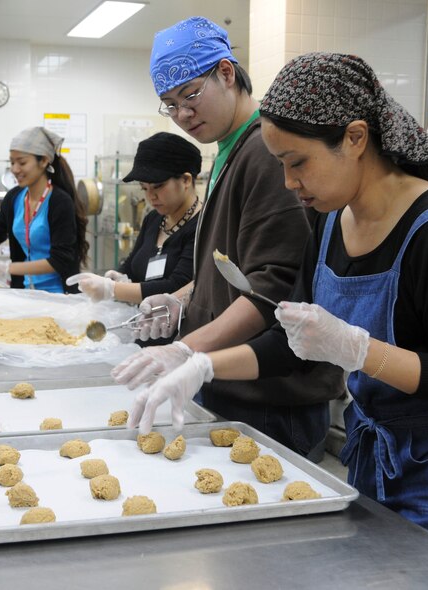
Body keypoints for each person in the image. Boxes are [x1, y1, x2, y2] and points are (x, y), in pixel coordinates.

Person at [127, 52, 428, 568]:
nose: (290, 184)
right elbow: (293, 343)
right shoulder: (332, 223)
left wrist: (357, 349)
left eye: (298, 163)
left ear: (356, 139)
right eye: (281, 166)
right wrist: (199, 364)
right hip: (376, 456)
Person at [112, 17, 343, 461]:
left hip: (273, 397)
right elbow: (230, 268)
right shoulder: (227, 153)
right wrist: (183, 298)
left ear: (226, 72)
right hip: (231, 384)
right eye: (170, 104)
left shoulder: (265, 152)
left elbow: (271, 287)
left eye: (190, 96)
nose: (182, 114)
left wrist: (186, 351)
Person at [66, 132, 201, 344]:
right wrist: (118, 277)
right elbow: (132, 265)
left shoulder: (204, 225)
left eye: (158, 187)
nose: (150, 196)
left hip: (179, 341)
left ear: (186, 180)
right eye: (144, 188)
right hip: (142, 334)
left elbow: (176, 285)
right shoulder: (154, 220)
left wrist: (112, 289)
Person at [0, 126, 89, 293]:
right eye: (12, 162)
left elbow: (60, 260)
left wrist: (5, 268)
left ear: (44, 161)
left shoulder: (60, 202)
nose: (15, 169)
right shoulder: (14, 198)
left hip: (58, 294)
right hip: (23, 291)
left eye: (22, 162)